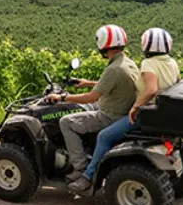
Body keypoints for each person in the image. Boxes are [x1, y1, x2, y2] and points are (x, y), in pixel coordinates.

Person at [67, 27, 180, 193]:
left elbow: (151, 89)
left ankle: (87, 176)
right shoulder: (171, 63)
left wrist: (135, 107)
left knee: (104, 136)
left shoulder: (148, 64)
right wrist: (91, 83)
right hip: (161, 112)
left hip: (145, 113)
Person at [45, 24, 139, 187]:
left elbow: (90, 97)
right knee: (84, 110)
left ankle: (80, 167)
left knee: (66, 122)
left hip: (109, 116)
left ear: (103, 44)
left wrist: (62, 97)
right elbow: (114, 84)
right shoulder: (128, 63)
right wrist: (88, 83)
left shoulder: (113, 69)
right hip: (121, 109)